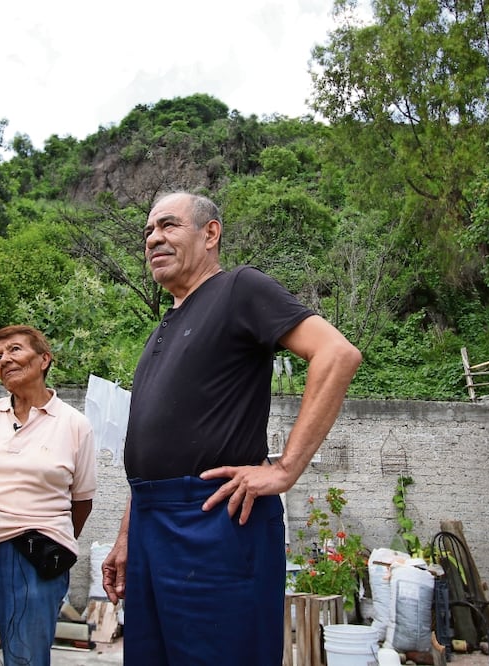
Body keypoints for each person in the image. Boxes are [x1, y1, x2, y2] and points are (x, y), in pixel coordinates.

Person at [102, 192, 362, 665]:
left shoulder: (240, 288)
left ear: (211, 233)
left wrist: (284, 471)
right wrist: (126, 535)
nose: (153, 238)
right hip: (150, 520)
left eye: (168, 226)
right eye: (147, 232)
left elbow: (337, 354)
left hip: (214, 518)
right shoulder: (162, 328)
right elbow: (151, 444)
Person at [0, 325, 96, 665]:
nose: (4, 360)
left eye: (14, 350)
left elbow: (81, 500)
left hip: (34, 553)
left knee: (26, 657)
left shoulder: (74, 424)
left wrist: (54, 537)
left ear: (44, 359)